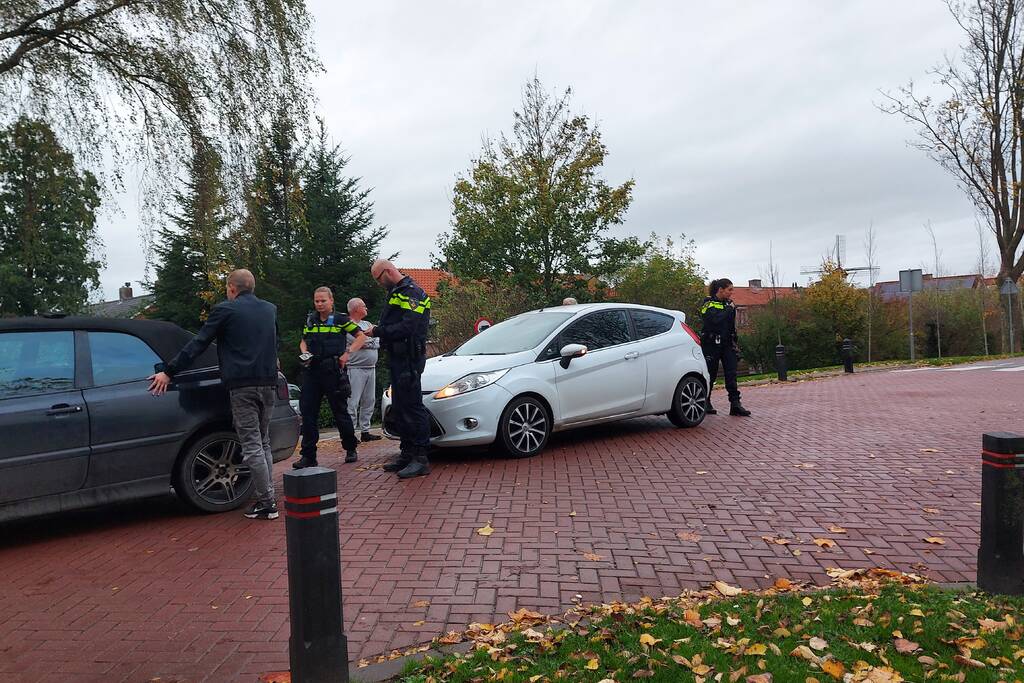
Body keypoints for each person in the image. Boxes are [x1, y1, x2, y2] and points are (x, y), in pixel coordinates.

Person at [148, 269, 283, 520]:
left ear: (232, 288)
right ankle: (268, 496)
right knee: (262, 441)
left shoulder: (225, 310)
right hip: (268, 383)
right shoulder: (269, 309)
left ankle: (267, 502)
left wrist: (169, 371)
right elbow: (275, 341)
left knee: (252, 443)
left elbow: (198, 343)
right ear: (251, 287)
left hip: (242, 386)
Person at [366, 260, 432, 478]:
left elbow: (408, 326)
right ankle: (407, 453)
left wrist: (378, 331)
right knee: (401, 406)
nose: (378, 284)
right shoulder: (397, 292)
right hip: (398, 357)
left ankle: (420, 458)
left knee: (413, 407)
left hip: (410, 358)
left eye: (378, 279)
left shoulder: (413, 292)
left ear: (387, 272)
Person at [294, 286, 370, 468]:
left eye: (323, 301)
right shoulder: (311, 320)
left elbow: (361, 337)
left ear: (331, 301)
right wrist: (304, 353)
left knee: (340, 413)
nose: (319, 304)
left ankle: (350, 448)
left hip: (333, 372)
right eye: (317, 301)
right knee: (308, 413)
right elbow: (304, 340)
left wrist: (348, 353)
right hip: (312, 372)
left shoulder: (340, 320)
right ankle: (308, 456)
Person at [699, 278, 751, 417]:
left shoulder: (729, 304)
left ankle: (735, 404)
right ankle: (705, 401)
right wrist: (728, 310)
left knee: (731, 374)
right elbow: (713, 320)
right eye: (729, 290)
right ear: (720, 290)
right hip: (711, 344)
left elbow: (730, 325)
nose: (731, 293)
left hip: (727, 343)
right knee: (710, 374)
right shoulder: (708, 303)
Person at [345, 297, 382, 443]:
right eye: (363, 306)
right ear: (355, 309)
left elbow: (377, 340)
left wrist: (369, 341)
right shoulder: (348, 325)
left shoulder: (366, 324)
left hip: (371, 368)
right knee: (353, 402)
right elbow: (359, 342)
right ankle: (351, 432)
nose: (366, 308)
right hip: (355, 368)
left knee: (369, 400)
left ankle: (365, 430)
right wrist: (369, 341)